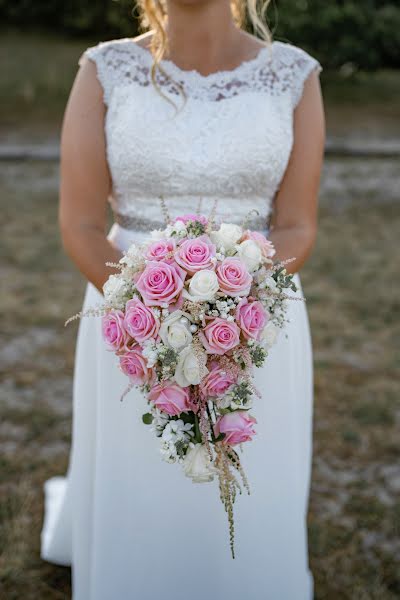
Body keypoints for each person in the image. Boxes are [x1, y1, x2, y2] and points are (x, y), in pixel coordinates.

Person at [40, 0, 325, 597]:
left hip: (255, 313)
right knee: (144, 476)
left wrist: (238, 298)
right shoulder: (105, 69)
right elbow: (82, 224)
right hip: (128, 304)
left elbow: (298, 226)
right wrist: (149, 311)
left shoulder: (295, 74)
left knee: (250, 476)